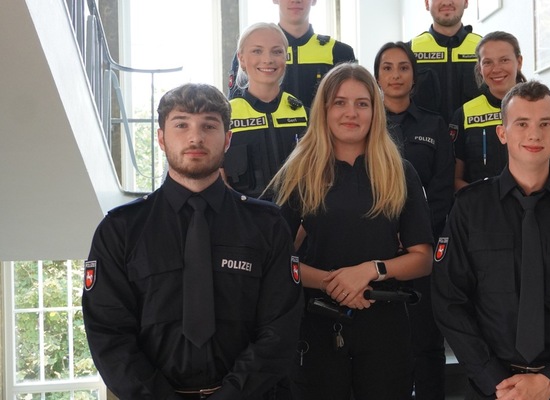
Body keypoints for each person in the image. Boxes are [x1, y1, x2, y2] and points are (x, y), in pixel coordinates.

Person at [82, 83, 304, 399]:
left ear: (228, 139)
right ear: (160, 138)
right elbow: (109, 333)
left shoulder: (266, 225)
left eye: (209, 126)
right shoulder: (120, 230)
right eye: (181, 124)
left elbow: (279, 329)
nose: (195, 137)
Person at [432, 80, 550, 399]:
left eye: (545, 124)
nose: (534, 134)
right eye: (522, 124)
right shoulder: (470, 208)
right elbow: (449, 301)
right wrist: (495, 380)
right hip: (492, 387)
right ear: (502, 133)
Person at [268, 63, 434, 399]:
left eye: (362, 103)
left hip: (385, 323)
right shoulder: (298, 173)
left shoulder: (400, 172)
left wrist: (370, 271)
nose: (351, 113)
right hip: (316, 322)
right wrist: (336, 283)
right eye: (340, 102)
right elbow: (274, 259)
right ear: (324, 110)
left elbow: (423, 259)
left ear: (375, 110)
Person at [374, 41, 453, 400]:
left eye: (403, 67)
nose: (395, 75)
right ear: (376, 76)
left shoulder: (434, 125)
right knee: (382, 343)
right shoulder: (365, 126)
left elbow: (441, 189)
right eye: (387, 67)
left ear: (414, 76)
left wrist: (416, 236)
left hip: (423, 249)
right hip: (374, 250)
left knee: (427, 341)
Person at [451, 31, 550, 191]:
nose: (496, 69)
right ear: (479, 68)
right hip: (483, 210)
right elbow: (455, 180)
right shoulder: (464, 114)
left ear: (519, 61)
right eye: (488, 62)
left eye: (504, 60)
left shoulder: (544, 108)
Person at [222, 22, 309, 199]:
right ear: (242, 59)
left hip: (299, 223)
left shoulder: (305, 115)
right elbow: (220, 183)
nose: (268, 59)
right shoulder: (224, 117)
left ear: (286, 57)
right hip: (244, 221)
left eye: (277, 51)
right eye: (257, 51)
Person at [227, 0, 356, 106]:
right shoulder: (250, 54)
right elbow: (235, 110)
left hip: (323, 136)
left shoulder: (340, 52)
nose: (296, 1)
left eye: (277, 51)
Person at [408, 0, 481, 125]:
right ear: (426, 3)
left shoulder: (484, 49)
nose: (447, 2)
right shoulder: (409, 51)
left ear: (466, 2)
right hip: (424, 140)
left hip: (475, 139)